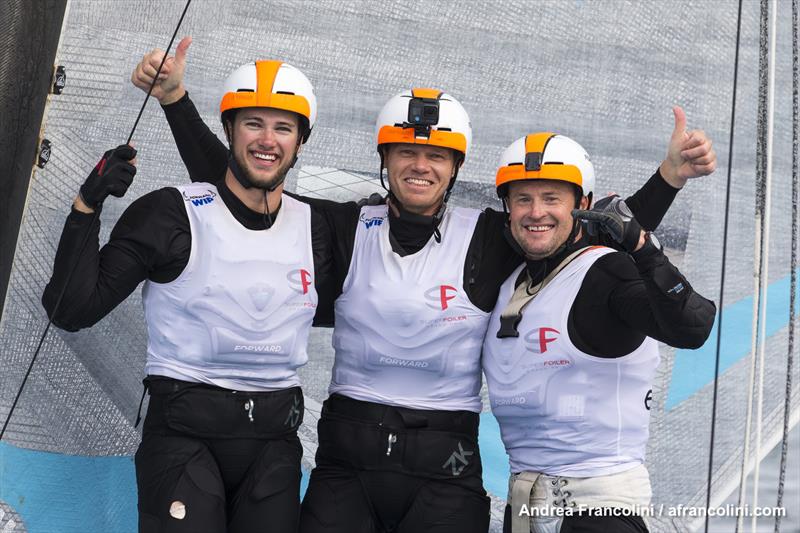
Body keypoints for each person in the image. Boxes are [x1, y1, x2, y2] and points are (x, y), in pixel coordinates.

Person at [131, 38, 716, 533]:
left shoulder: (492, 235)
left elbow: (573, 232)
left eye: (436, 155)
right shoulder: (339, 226)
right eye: (407, 152)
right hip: (347, 464)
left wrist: (666, 181)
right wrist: (177, 102)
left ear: (455, 167)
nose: (421, 165)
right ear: (385, 160)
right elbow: (239, 191)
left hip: (445, 468)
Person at [42, 59, 334, 532]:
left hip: (273, 442)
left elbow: (247, 194)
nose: (267, 139)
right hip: (182, 435)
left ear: (301, 142)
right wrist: (86, 205)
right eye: (252, 123)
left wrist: (175, 99)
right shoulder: (170, 214)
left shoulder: (317, 226)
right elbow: (71, 310)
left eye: (283, 127)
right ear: (229, 129)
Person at [481, 132, 717, 533]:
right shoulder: (511, 275)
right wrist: (667, 178)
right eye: (523, 198)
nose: (536, 212)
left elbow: (693, 328)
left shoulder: (609, 271)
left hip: (600, 514)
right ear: (508, 207)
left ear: (583, 204)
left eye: (552, 198)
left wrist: (642, 247)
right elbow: (602, 225)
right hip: (523, 510)